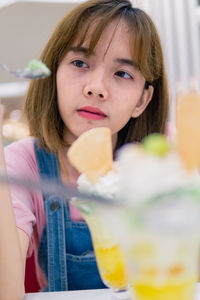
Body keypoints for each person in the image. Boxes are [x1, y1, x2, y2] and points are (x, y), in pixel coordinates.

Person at [0, 0, 169, 299]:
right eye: (80, 63)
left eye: (122, 73)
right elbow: (6, 291)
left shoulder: (162, 157)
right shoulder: (24, 163)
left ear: (142, 101)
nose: (96, 87)